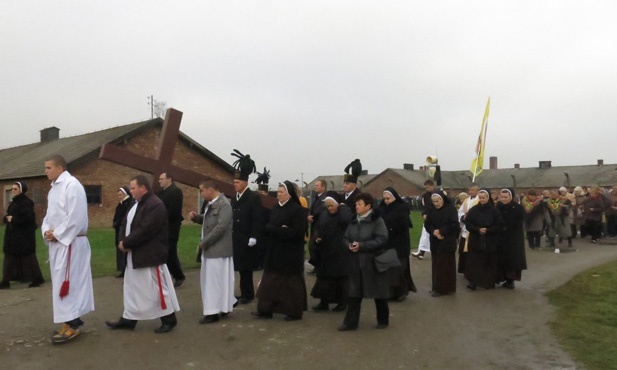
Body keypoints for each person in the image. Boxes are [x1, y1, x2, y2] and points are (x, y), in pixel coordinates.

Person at [106, 175, 180, 333]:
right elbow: (124, 224)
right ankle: (129, 318)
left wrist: (126, 243)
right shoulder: (136, 203)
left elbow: (146, 229)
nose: (130, 191)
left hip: (150, 255)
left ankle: (169, 319)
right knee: (132, 288)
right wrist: (121, 241)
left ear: (143, 188)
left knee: (157, 288)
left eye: (133, 188)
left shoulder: (155, 205)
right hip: (134, 254)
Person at [41, 155, 94, 344]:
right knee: (60, 283)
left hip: (70, 243)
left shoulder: (73, 186)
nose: (45, 171)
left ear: (60, 168)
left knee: (68, 283)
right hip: (58, 243)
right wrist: (47, 231)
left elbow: (76, 217)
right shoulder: (54, 189)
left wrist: (59, 234)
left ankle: (73, 325)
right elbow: (48, 216)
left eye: (48, 167)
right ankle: (69, 320)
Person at [253, 181, 308, 321]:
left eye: (281, 192)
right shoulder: (276, 208)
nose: (278, 195)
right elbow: (269, 226)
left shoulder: (297, 210)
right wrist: (278, 229)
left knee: (290, 284)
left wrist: (276, 230)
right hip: (274, 251)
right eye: (277, 192)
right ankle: (265, 310)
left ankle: (294, 312)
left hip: (290, 253)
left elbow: (297, 232)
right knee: (269, 282)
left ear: (289, 194)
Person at [338, 192, 390, 331]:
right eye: (356, 204)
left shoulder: (377, 220)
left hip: (373, 262)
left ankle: (383, 320)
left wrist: (362, 246)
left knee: (378, 293)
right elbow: (345, 237)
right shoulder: (354, 220)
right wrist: (348, 245)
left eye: (360, 204)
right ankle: (350, 323)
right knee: (354, 293)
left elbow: (382, 239)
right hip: (356, 262)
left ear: (368, 206)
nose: (357, 207)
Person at [189, 179, 237, 324]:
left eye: (202, 190)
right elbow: (209, 220)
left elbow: (221, 227)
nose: (201, 194)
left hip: (218, 250)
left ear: (211, 190)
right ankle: (222, 306)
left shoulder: (224, 205)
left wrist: (205, 242)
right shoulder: (213, 204)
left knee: (213, 282)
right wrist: (197, 218)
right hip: (212, 250)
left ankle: (213, 312)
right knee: (214, 281)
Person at [230, 152, 264, 305]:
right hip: (236, 236)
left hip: (247, 237)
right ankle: (243, 292)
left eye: (237, 182)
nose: (235, 184)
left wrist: (254, 236)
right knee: (240, 266)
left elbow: (258, 218)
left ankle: (248, 294)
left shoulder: (253, 197)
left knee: (246, 268)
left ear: (245, 183)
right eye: (234, 182)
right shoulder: (234, 197)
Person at [310, 191, 353, 312]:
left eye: (331, 206)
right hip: (326, 250)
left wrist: (343, 208)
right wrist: (318, 238)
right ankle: (324, 302)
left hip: (340, 251)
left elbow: (347, 220)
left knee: (340, 279)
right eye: (327, 206)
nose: (329, 208)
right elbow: (319, 228)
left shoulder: (344, 213)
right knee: (324, 278)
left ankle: (342, 302)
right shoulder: (324, 215)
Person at [1, 181, 44, 289]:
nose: (13, 191)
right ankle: (5, 281)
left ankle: (37, 278)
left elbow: (28, 219)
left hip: (24, 236)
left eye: (15, 189)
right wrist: (7, 219)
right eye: (12, 189)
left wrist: (13, 219)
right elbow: (9, 215)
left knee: (27, 257)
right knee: (9, 257)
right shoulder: (13, 203)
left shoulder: (26, 203)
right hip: (12, 235)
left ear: (21, 190)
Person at [379, 187, 416, 302]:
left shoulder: (402, 207)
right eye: (384, 198)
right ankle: (390, 292)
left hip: (399, 242)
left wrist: (389, 229)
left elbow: (403, 224)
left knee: (400, 268)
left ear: (394, 197)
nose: (386, 201)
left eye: (388, 198)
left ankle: (401, 291)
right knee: (389, 269)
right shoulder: (382, 208)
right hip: (387, 243)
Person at [464, 188, 503, 291]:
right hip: (476, 239)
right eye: (480, 198)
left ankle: (489, 282)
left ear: (488, 197)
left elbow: (499, 225)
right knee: (475, 262)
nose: (482, 200)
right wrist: (477, 230)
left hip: (490, 240)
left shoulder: (494, 210)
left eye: (483, 198)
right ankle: (474, 282)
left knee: (489, 262)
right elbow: (468, 224)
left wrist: (488, 230)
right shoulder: (473, 210)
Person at [423, 191, 459, 297]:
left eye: (438, 201)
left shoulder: (451, 209)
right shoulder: (431, 210)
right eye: (434, 202)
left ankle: (445, 289)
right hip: (435, 241)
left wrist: (441, 231)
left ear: (442, 199)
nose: (436, 203)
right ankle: (437, 286)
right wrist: (433, 231)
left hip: (447, 241)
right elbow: (427, 224)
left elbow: (454, 225)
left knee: (445, 266)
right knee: (436, 265)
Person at [157, 172, 186, 287]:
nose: (159, 181)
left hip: (171, 228)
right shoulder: (161, 193)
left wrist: (161, 219)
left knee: (171, 253)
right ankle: (168, 275)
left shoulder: (175, 192)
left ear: (169, 179)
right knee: (165, 253)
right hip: (162, 228)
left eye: (162, 179)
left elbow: (173, 211)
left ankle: (179, 275)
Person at [496, 189, 527, 289]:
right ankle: (502, 277)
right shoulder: (498, 207)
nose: (504, 199)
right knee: (501, 258)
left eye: (506, 197)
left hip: (513, 238)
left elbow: (518, 222)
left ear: (511, 197)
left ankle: (510, 280)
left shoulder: (518, 208)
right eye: (502, 197)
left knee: (512, 259)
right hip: (500, 237)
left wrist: (506, 226)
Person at [457, 183, 480, 273]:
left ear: (477, 190)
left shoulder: (480, 200)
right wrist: (463, 217)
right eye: (469, 190)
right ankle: (464, 269)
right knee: (463, 250)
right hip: (465, 230)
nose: (470, 192)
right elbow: (460, 212)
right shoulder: (466, 200)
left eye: (473, 190)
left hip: (474, 229)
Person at [307, 179, 327, 275]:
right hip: (314, 225)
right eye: (315, 185)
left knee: (316, 246)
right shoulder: (316, 198)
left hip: (320, 225)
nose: (315, 187)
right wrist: (308, 215)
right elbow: (311, 209)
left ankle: (319, 267)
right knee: (312, 246)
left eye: (317, 185)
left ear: (323, 187)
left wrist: (313, 217)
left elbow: (321, 210)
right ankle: (315, 266)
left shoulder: (325, 198)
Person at [412, 180, 436, 260]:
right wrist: (424, 213)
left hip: (436, 216)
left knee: (433, 235)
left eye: (428, 187)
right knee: (425, 235)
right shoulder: (425, 195)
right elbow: (425, 206)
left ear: (432, 186)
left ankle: (432, 252)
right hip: (428, 217)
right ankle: (421, 252)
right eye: (425, 188)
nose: (427, 189)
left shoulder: (438, 194)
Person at [112, 186, 133, 278]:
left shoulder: (128, 203)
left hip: (124, 230)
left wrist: (118, 222)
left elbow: (125, 217)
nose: (119, 196)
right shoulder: (120, 204)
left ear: (125, 194)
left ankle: (126, 270)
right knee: (119, 249)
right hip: (119, 229)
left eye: (120, 195)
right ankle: (122, 269)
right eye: (118, 195)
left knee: (124, 248)